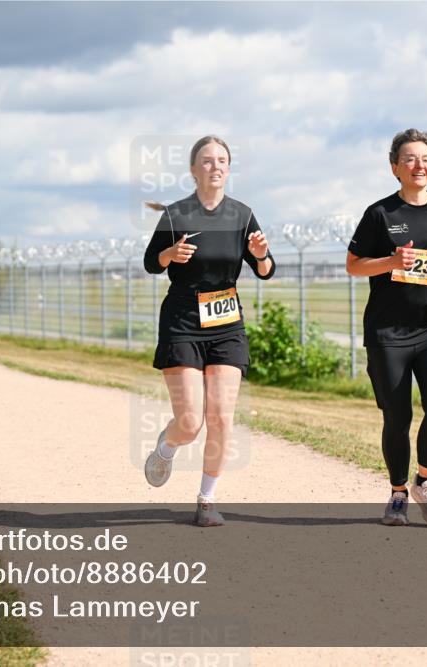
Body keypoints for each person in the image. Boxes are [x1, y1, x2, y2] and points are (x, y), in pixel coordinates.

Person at [142, 135, 276, 527]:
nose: (214, 166)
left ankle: (206, 499)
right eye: (206, 160)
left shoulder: (243, 214)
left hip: (226, 323)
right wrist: (171, 255)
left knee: (221, 418)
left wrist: (261, 255)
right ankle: (166, 448)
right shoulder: (177, 214)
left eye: (221, 160)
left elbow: (266, 270)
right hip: (183, 321)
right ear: (193, 170)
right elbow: (152, 262)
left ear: (228, 169)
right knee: (190, 422)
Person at [346, 128, 427, 526]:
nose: (420, 165)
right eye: (411, 159)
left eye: (426, 159)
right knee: (396, 417)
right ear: (395, 167)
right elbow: (353, 265)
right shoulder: (380, 214)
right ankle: (398, 492)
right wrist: (390, 262)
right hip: (388, 331)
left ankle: (425, 480)